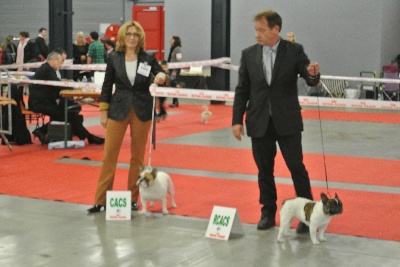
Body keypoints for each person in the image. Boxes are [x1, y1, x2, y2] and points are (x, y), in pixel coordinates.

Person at [231, 10, 320, 233]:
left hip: (287, 120)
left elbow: (308, 75)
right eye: (256, 30)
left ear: (275, 29)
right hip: (259, 120)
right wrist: (236, 120)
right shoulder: (249, 54)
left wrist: (313, 74)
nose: (257, 35)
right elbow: (242, 90)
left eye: (261, 30)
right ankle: (268, 212)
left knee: (296, 167)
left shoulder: (294, 50)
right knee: (264, 170)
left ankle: (307, 214)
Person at [87, 21, 166, 213]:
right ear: (123, 37)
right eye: (129, 34)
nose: (132, 37)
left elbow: (161, 73)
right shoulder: (113, 57)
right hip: (117, 109)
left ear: (140, 38)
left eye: (136, 34)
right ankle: (101, 200)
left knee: (137, 159)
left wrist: (162, 76)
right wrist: (104, 112)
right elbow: (107, 86)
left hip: (142, 109)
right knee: (109, 156)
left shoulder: (148, 57)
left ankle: (133, 199)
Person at [28, 52, 105, 145]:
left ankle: (41, 131)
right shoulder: (47, 70)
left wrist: (67, 83)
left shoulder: (45, 68)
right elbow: (59, 85)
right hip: (40, 103)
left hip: (43, 101)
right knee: (68, 114)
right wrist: (72, 86)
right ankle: (88, 137)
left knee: (69, 113)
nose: (61, 65)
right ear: (54, 60)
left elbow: (56, 84)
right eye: (60, 62)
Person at [167, 36, 182, 107]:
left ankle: (175, 102)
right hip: (171, 69)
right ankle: (175, 101)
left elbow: (179, 60)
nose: (170, 40)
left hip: (175, 70)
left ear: (175, 40)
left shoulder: (178, 49)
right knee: (173, 84)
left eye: (171, 39)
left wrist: (175, 71)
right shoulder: (172, 48)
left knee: (174, 84)